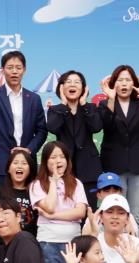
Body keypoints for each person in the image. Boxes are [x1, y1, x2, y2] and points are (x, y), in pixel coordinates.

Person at [99, 65, 139, 241]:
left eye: (128, 80)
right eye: (120, 80)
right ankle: (115, 251)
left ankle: (138, 253)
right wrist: (111, 100)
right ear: (113, 83)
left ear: (134, 83)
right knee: (115, 214)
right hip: (114, 165)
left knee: (136, 215)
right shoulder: (105, 104)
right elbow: (105, 125)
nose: (124, 84)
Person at [0, 51, 47, 186]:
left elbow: (42, 131)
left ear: (24, 70)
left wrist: (29, 150)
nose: (14, 71)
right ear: (2, 70)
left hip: (26, 163)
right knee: (0, 199)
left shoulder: (34, 99)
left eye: (18, 67)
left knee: (27, 199)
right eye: (10, 67)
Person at [29, 141, 88, 263]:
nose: (58, 161)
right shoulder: (36, 185)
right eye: (53, 157)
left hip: (73, 242)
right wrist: (54, 182)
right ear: (45, 161)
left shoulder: (76, 183)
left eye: (62, 157)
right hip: (49, 242)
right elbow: (49, 207)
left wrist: (53, 217)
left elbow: (80, 212)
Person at [46, 70, 103, 206]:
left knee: (88, 208)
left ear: (83, 88)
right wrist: (63, 105)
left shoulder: (90, 108)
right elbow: (53, 127)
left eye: (77, 82)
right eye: (68, 82)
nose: (73, 85)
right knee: (66, 207)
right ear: (61, 88)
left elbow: (96, 127)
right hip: (64, 167)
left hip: (88, 168)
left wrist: (83, 104)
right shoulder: (56, 109)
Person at [82, 173, 139, 237]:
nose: (111, 194)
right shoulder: (93, 217)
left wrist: (130, 232)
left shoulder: (128, 216)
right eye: (107, 191)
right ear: (99, 195)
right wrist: (92, 223)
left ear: (120, 193)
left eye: (115, 191)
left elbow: (134, 238)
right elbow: (84, 238)